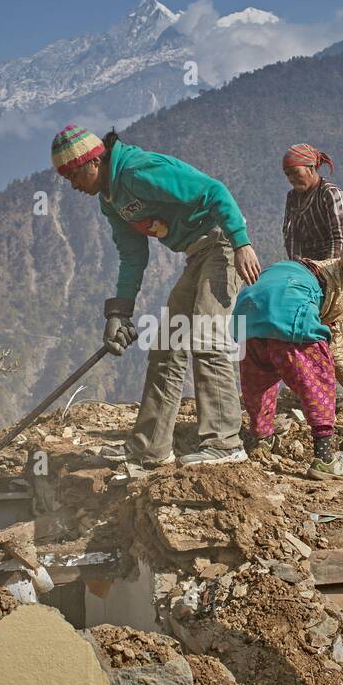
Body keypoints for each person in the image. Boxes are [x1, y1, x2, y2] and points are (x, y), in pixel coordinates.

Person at [52, 125, 261, 467]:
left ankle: (225, 443)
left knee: (209, 338)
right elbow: (133, 255)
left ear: (92, 163)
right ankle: (150, 447)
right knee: (166, 348)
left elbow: (214, 190)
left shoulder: (137, 171)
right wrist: (119, 313)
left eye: (73, 176)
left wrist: (241, 242)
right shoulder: (111, 200)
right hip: (196, 255)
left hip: (221, 246)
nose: (73, 186)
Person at [233, 244, 343, 479]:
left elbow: (336, 353)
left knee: (260, 380)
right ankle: (324, 458)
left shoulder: (320, 293)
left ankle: (262, 440)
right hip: (290, 303)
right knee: (319, 376)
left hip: (248, 311)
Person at [282, 144, 343, 383]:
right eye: (287, 175)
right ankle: (318, 391)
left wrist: (326, 276)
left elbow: (339, 239)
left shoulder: (331, 194)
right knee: (312, 335)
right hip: (310, 274)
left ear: (311, 168)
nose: (290, 179)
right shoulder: (293, 198)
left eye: (294, 172)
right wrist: (298, 272)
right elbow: (291, 235)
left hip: (342, 272)